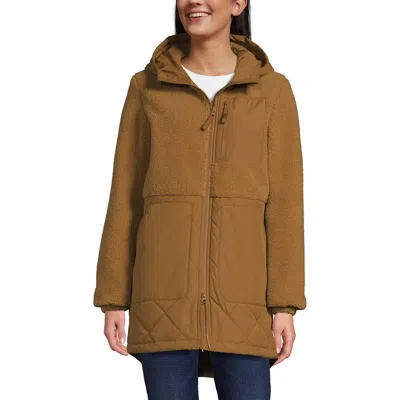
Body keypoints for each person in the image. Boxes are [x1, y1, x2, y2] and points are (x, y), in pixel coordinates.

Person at [93, 0, 307, 398]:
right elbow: (125, 195)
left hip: (244, 301)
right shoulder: (146, 87)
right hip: (161, 296)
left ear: (238, 3)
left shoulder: (272, 91)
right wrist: (113, 297)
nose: (194, 1)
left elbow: (285, 206)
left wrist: (284, 304)